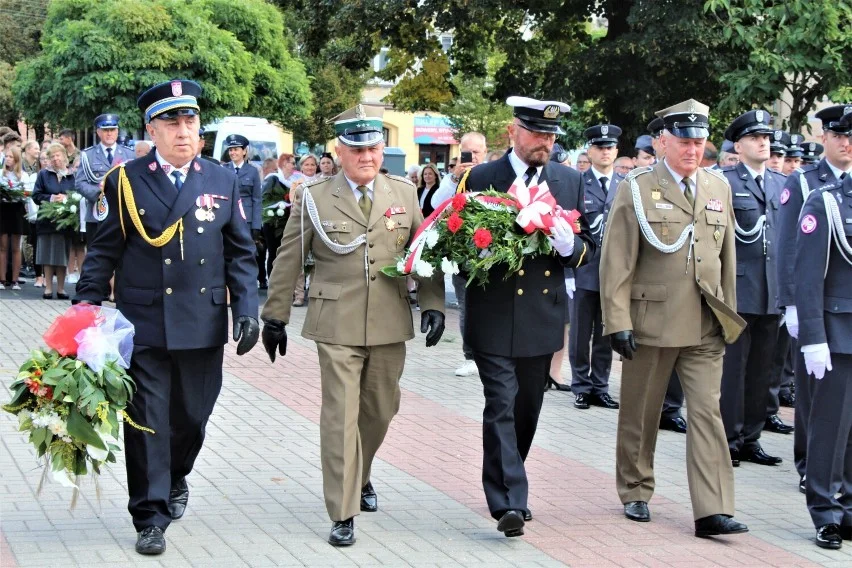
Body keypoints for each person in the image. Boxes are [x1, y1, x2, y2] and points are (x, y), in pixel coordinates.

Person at [74, 79, 260, 556]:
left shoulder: (220, 178)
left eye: (190, 121)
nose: (183, 131)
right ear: (151, 130)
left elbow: (240, 251)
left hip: (202, 321)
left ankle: (177, 475)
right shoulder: (126, 180)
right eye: (172, 122)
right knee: (148, 421)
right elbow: (103, 250)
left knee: (192, 419)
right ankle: (149, 515)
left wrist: (247, 309)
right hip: (146, 322)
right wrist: (86, 308)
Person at [260, 103, 445, 547]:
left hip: (389, 319)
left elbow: (424, 251)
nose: (367, 157)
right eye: (357, 149)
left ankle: (360, 475)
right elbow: (288, 260)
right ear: (339, 152)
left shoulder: (401, 193)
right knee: (340, 416)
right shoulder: (314, 196)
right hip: (336, 321)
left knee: (381, 410)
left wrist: (434, 304)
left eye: (375, 148)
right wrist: (275, 316)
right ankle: (343, 511)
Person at [601, 99, 749, 537]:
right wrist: (617, 319)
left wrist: (728, 315)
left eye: (700, 142)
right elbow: (617, 260)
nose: (692, 150)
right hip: (653, 319)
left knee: (707, 412)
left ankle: (712, 509)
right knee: (641, 412)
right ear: (663, 141)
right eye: (684, 141)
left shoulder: (716, 186)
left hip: (705, 321)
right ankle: (635, 489)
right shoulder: (638, 186)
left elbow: (726, 258)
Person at [462, 96, 595, 538]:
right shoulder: (482, 177)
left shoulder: (568, 180)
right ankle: (509, 501)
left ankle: (506, 476)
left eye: (552, 136)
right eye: (537, 133)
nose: (546, 143)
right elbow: (459, 238)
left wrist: (567, 247)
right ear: (513, 132)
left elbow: (586, 246)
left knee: (527, 408)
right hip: (494, 312)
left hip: (541, 313)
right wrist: (477, 249)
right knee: (500, 402)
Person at [776, 103, 852, 494]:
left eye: (850, 137)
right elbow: (789, 245)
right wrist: (790, 304)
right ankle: (809, 462)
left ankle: (837, 470)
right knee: (812, 390)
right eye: (839, 135)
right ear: (824, 138)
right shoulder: (806, 182)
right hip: (815, 305)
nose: (846, 143)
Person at [794, 129, 852, 548]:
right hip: (839, 332)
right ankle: (826, 512)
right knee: (830, 428)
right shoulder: (828, 201)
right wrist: (813, 336)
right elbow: (808, 274)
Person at [718, 109, 786, 468]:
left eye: (766, 137)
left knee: (763, 369)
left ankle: (752, 438)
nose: (763, 142)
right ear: (739, 144)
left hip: (771, 292)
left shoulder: (779, 183)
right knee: (734, 369)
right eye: (755, 138)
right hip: (739, 289)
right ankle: (729, 438)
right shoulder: (725, 181)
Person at [569, 124, 624, 410]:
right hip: (584, 269)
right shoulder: (579, 183)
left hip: (614, 273)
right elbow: (569, 228)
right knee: (580, 333)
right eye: (599, 147)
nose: (605, 151)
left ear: (616, 151)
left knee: (606, 332)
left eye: (610, 147)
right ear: (589, 151)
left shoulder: (624, 185)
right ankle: (581, 385)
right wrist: (568, 273)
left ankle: (600, 386)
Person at [431, 131, 489, 377]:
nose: (472, 157)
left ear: (485, 152)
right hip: (463, 252)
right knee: (467, 305)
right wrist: (455, 177)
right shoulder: (453, 178)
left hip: (492, 253)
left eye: (477, 152)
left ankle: (491, 355)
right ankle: (470, 356)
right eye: (468, 152)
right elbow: (437, 204)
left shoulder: (495, 174)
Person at [75, 114, 135, 246]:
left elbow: (135, 182)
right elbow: (80, 183)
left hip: (121, 214)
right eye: (105, 130)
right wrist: (99, 194)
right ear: (98, 132)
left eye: (112, 130)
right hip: (96, 214)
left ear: (117, 131)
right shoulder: (88, 155)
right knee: (96, 257)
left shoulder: (129, 154)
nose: (109, 134)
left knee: (122, 258)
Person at [31, 143, 75, 299]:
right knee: (47, 256)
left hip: (65, 222)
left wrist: (67, 199)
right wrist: (51, 198)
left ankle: (61, 289)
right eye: (52, 156)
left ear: (64, 156)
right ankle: (48, 288)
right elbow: (35, 196)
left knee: (61, 256)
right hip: (47, 222)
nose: (55, 159)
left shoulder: (72, 175)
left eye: (58, 155)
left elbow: (77, 195)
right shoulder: (43, 174)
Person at [223, 134, 263, 289]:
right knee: (228, 253)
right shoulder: (223, 169)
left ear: (244, 151)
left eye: (236, 149)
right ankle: (229, 286)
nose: (233, 153)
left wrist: (256, 227)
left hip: (246, 220)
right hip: (227, 217)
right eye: (231, 150)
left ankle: (247, 284)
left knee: (246, 254)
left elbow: (256, 199)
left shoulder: (252, 171)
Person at [1, 147, 26, 290]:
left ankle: (15, 280)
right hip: (3, 210)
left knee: (16, 247)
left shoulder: (22, 175)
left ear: (16, 159)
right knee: (3, 246)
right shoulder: (0, 174)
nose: (8, 159)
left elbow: (27, 194)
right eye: (6, 156)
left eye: (11, 157)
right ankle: (2, 279)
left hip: (17, 210)